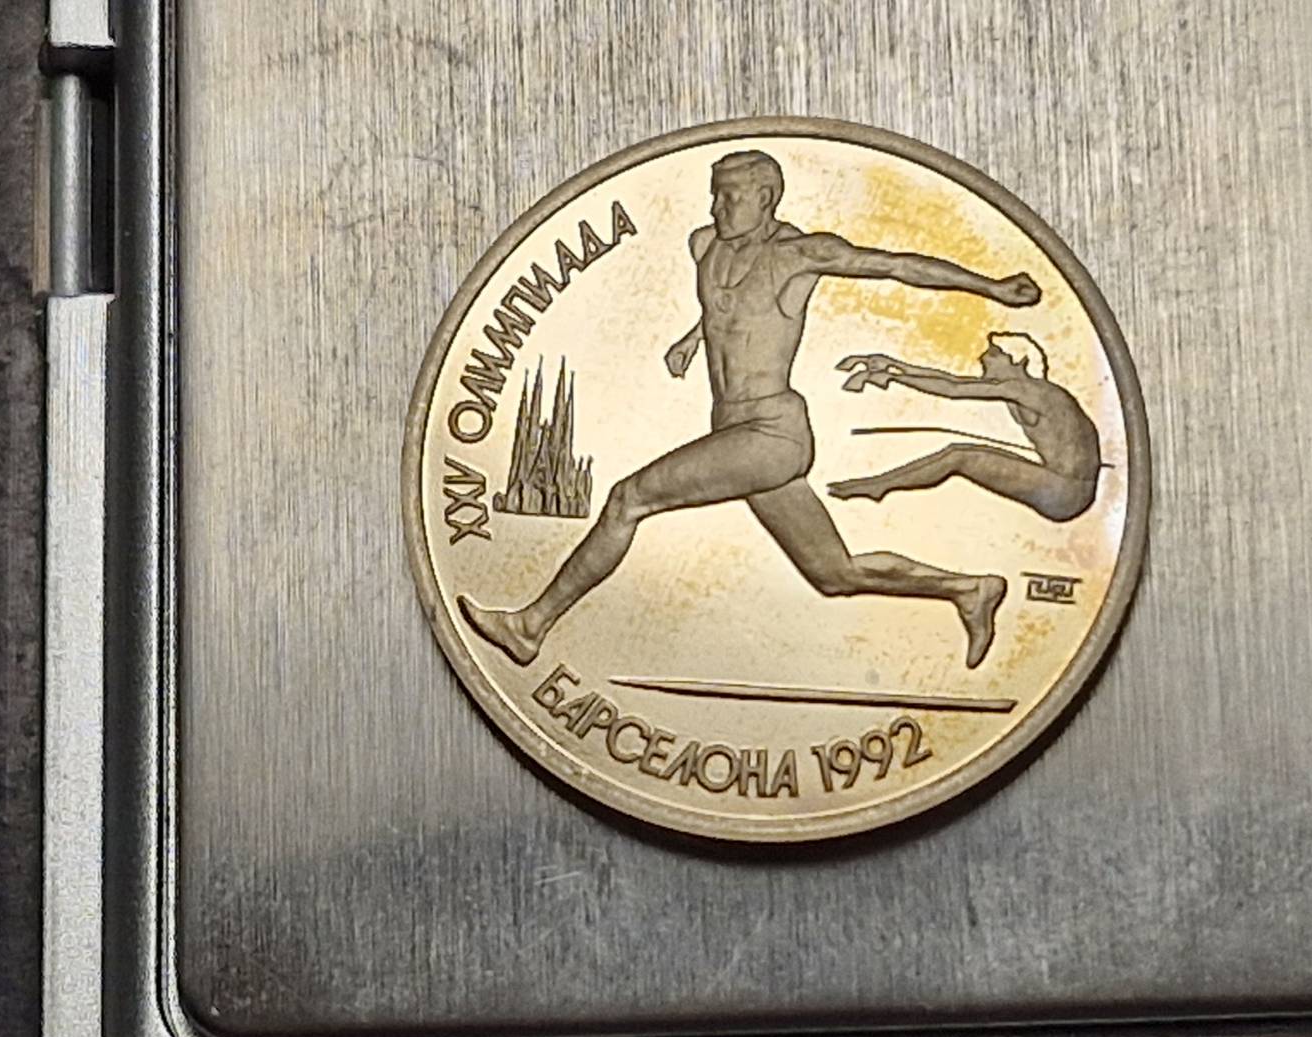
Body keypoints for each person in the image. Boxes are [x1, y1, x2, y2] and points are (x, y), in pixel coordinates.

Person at [460, 149, 1037, 671]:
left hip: (772, 432)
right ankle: (968, 588)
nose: (717, 208)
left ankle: (531, 626)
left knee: (628, 499)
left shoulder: (799, 255)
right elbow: (731, 310)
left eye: (730, 198)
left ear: (766, 198)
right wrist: (693, 339)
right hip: (734, 427)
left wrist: (991, 287)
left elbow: (897, 267)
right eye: (715, 195)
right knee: (835, 574)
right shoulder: (704, 246)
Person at [827, 332, 1101, 523]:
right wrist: (896, 367)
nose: (983, 359)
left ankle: (878, 486)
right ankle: (878, 485)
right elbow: (953, 381)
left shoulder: (1027, 390)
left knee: (960, 456)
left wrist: (895, 375)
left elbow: (953, 388)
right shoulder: (1032, 391)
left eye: (993, 354)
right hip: (1071, 489)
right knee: (961, 453)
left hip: (1064, 491)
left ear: (1019, 361)